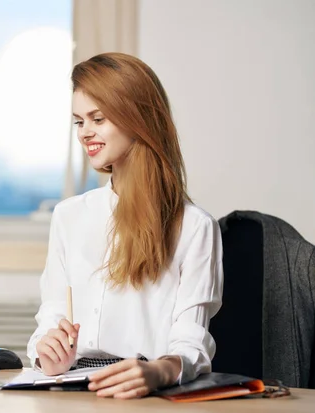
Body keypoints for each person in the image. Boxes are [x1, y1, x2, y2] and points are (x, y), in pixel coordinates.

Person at [26, 52, 224, 399]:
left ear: (138, 119)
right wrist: (48, 354)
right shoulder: (68, 216)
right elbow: (51, 316)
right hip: (70, 391)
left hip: (146, 394)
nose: (85, 133)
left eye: (97, 119)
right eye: (78, 122)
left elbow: (191, 341)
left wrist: (159, 371)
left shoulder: (195, 227)